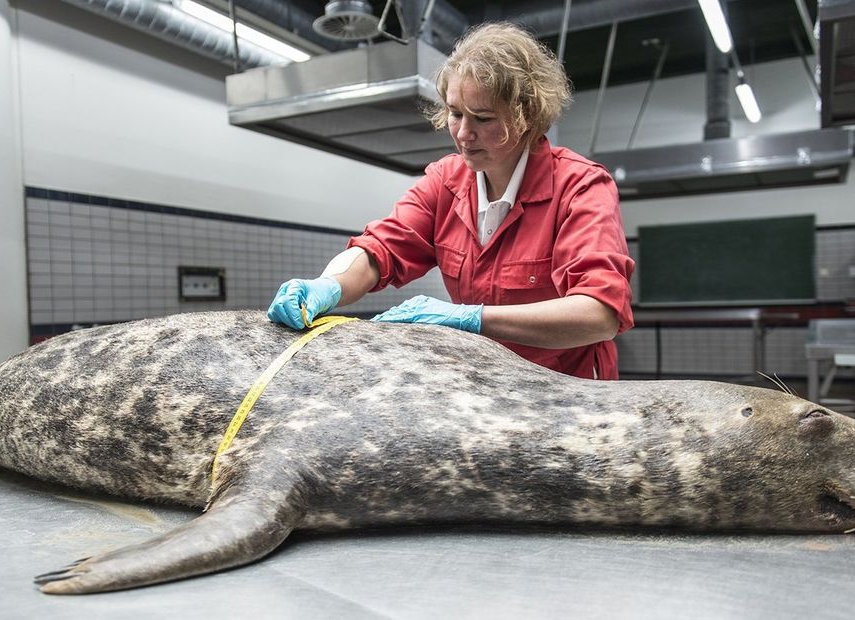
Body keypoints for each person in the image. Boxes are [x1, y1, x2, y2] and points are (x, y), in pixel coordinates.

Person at [267, 22, 634, 380]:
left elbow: (599, 314)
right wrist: (328, 284)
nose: (462, 133)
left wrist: (471, 317)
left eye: (483, 118)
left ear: (528, 116)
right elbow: (380, 249)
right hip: (485, 383)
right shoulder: (445, 181)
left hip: (569, 389)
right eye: (456, 113)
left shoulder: (580, 186)